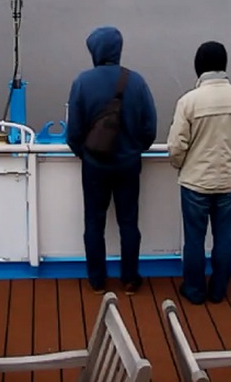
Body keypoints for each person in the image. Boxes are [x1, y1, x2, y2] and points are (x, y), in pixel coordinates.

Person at [65, 26, 158, 293]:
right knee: (128, 223)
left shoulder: (82, 83)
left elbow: (74, 133)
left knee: (94, 222)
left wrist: (86, 154)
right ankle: (129, 279)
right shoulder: (136, 81)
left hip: (94, 167)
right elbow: (150, 128)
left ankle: (97, 280)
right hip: (128, 165)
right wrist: (133, 150)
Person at [167, 41, 231, 305]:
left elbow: (176, 146)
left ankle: (194, 291)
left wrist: (181, 165)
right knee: (224, 237)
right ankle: (218, 290)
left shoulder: (188, 101)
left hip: (195, 181)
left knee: (194, 239)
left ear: (199, 66)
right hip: (228, 182)